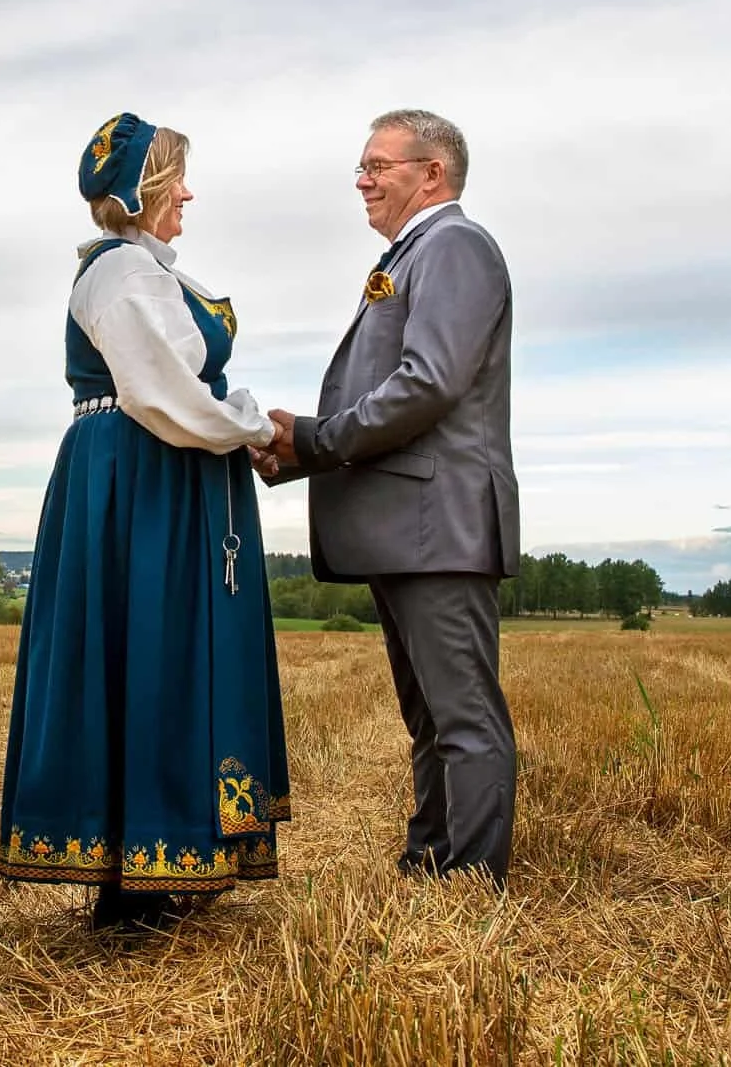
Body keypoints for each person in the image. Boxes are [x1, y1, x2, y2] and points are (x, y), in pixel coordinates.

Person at [0, 113, 290, 932]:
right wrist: (253, 424)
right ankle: (134, 873)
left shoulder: (143, 269)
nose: (188, 193)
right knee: (149, 650)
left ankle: (164, 858)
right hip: (140, 479)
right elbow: (162, 393)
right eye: (176, 178)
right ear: (142, 189)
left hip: (158, 474)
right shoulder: (122, 271)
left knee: (164, 652)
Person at [263, 107, 520, 887]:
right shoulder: (415, 254)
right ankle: (430, 860)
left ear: (432, 173)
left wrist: (313, 439)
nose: (363, 180)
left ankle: (471, 881)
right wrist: (300, 451)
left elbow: (427, 384)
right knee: (429, 717)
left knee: (463, 716)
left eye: (378, 166)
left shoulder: (455, 246)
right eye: (363, 167)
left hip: (438, 525)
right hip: (408, 525)